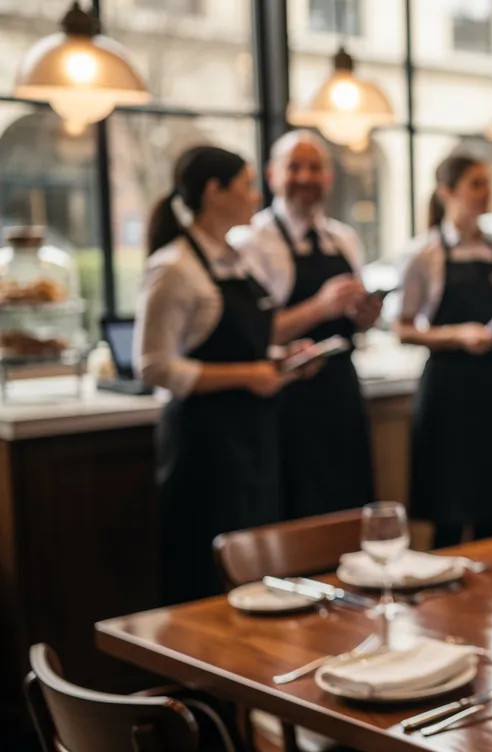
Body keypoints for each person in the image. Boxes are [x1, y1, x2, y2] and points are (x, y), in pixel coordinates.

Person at [135, 146, 308, 604]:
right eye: (247, 185)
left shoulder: (235, 259)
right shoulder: (173, 267)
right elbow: (153, 365)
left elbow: (242, 341)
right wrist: (247, 374)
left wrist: (280, 358)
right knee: (206, 575)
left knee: (257, 570)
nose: (256, 196)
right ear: (215, 191)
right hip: (204, 443)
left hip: (253, 435)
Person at [396, 153, 492, 546]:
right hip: (449, 391)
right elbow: (402, 329)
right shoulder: (423, 254)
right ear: (446, 192)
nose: (486, 192)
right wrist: (459, 335)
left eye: (487, 183)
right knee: (449, 513)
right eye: (476, 184)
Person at [243, 130, 379, 520]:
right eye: (295, 167)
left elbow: (355, 321)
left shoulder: (344, 238)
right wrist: (320, 307)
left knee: (349, 509)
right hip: (286, 398)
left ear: (329, 177)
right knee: (296, 511)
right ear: (272, 175)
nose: (305, 177)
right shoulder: (252, 242)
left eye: (315, 168)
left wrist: (365, 316)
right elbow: (253, 333)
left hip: (341, 391)